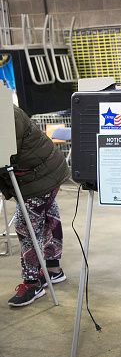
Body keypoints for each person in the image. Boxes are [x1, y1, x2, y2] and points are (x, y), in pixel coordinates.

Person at [0, 106, 70, 307]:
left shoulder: (5, 112)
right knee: (49, 217)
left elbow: (6, 153)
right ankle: (54, 269)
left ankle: (32, 284)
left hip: (38, 174)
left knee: (26, 226)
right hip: (46, 169)